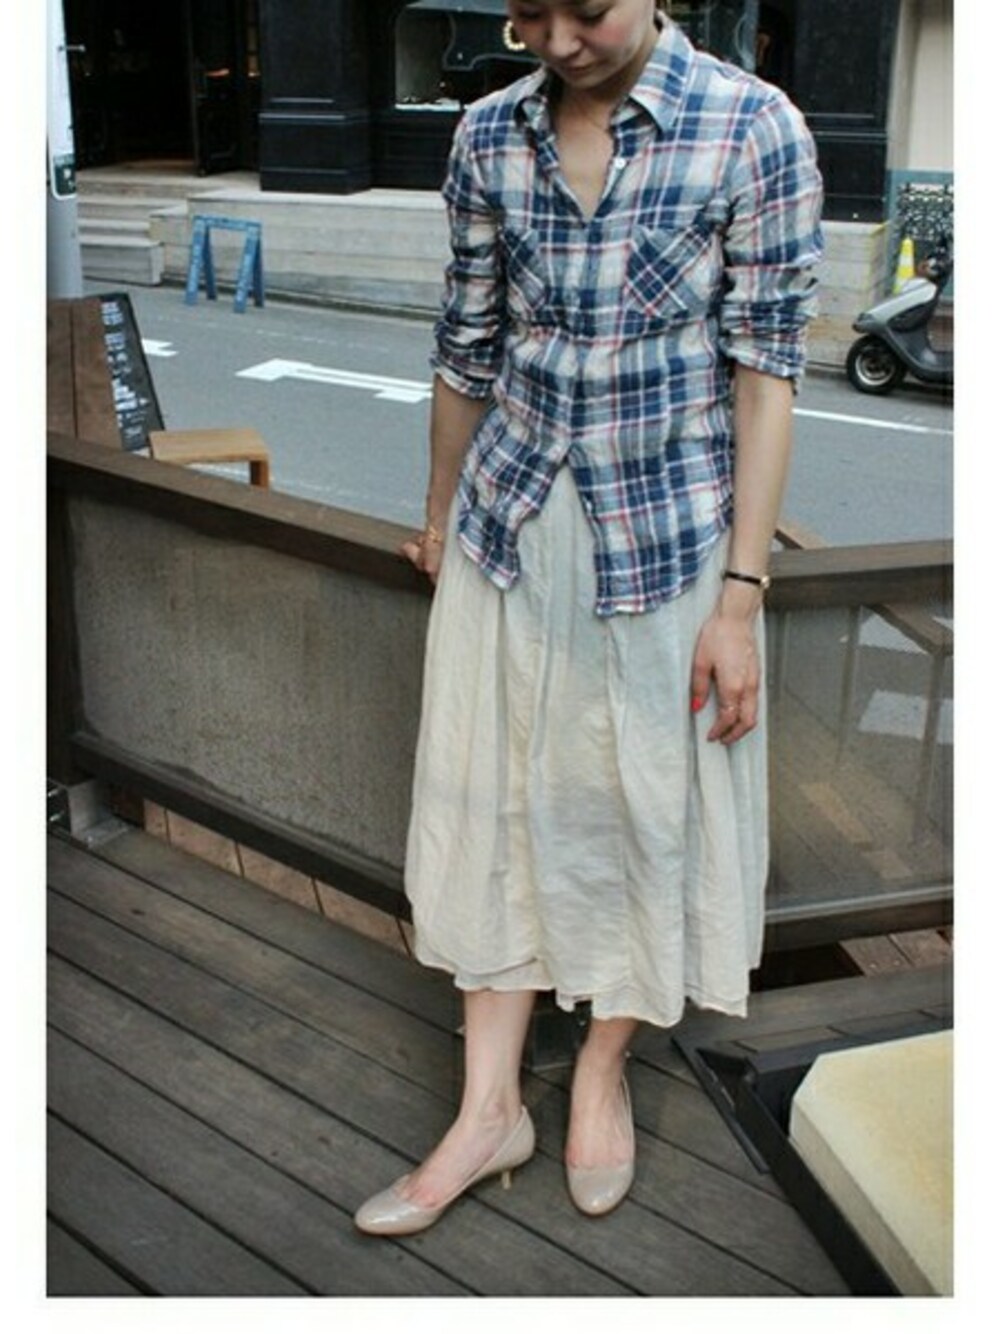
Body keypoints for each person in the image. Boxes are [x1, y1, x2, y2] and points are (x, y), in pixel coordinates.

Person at [354, 0, 823, 1235]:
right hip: (509, 527)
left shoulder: (751, 126)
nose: (556, 40)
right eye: (527, 11)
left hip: (668, 546)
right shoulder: (486, 134)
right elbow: (466, 349)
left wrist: (740, 597)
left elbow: (765, 379)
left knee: (643, 808)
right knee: (490, 802)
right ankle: (488, 1107)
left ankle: (602, 1068)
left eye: (586, 10)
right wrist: (439, 520)